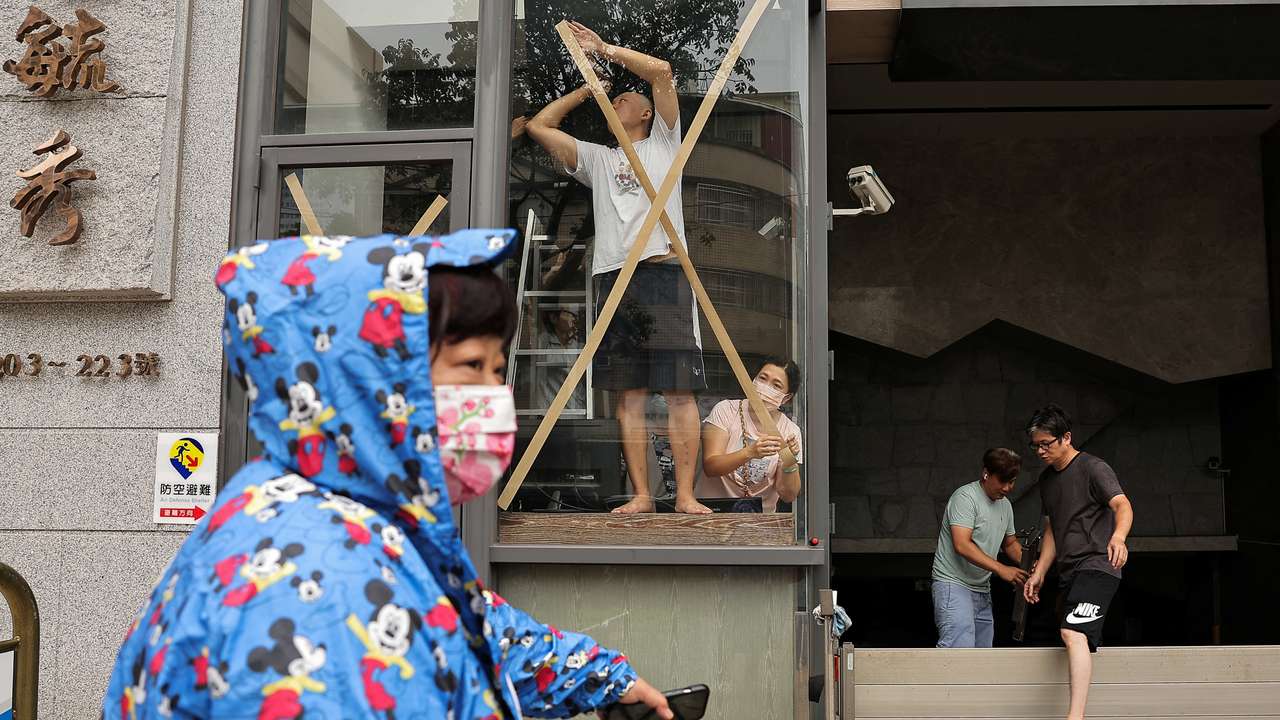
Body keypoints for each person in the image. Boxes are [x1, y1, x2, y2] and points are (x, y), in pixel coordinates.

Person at [102, 230, 673, 719]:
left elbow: (457, 631)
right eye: (471, 366)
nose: (494, 398)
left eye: (499, 369)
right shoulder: (313, 587)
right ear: (373, 378)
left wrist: (600, 677)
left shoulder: (344, 514)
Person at [526, 22, 709, 515]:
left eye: (625, 100)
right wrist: (587, 90)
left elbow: (663, 72)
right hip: (615, 277)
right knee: (627, 392)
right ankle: (643, 495)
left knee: (678, 389)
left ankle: (686, 494)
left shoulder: (664, 143)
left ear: (646, 113)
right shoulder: (599, 160)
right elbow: (539, 128)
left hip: (662, 273)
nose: (618, 105)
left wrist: (603, 50)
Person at [1022, 403, 1134, 720]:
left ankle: (1076, 717)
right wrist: (1039, 572)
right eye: (1036, 445)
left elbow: (1122, 504)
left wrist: (1118, 537)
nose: (1040, 451)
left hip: (1099, 565)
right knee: (1074, 636)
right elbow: (1052, 531)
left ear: (1066, 437)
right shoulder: (1047, 481)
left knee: (1073, 632)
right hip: (1070, 572)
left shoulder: (1093, 468)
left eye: (1046, 443)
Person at [930, 448, 1027, 648]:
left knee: (982, 658)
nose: (1008, 488)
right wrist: (1002, 569)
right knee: (958, 652)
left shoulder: (1005, 505)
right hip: (953, 585)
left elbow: (1010, 544)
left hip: (982, 589)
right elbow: (962, 544)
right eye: (1003, 481)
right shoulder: (965, 497)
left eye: (1012, 482)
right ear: (986, 474)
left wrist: (1032, 568)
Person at [697, 359, 803, 513]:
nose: (766, 387)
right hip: (711, 514)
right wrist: (750, 453)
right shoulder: (726, 410)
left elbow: (788, 495)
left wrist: (789, 461)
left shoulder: (790, 431)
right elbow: (711, 466)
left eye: (776, 385)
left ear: (786, 398)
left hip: (758, 524)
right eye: (762, 378)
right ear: (753, 380)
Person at [536, 308, 586, 411]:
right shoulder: (543, 341)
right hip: (548, 411)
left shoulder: (579, 345)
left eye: (576, 316)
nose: (574, 319)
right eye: (569, 314)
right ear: (553, 318)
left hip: (576, 409)